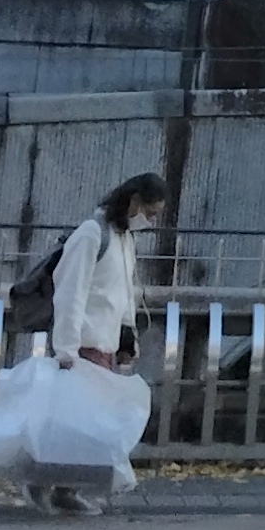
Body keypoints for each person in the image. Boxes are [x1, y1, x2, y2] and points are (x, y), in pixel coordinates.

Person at [36, 169, 166, 512]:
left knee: (79, 423)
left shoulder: (122, 238)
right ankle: (57, 487)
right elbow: (71, 291)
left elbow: (123, 294)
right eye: (150, 213)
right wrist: (65, 348)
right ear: (134, 201)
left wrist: (126, 336)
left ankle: (55, 484)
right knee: (79, 424)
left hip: (103, 342)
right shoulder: (93, 234)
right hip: (84, 342)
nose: (150, 221)